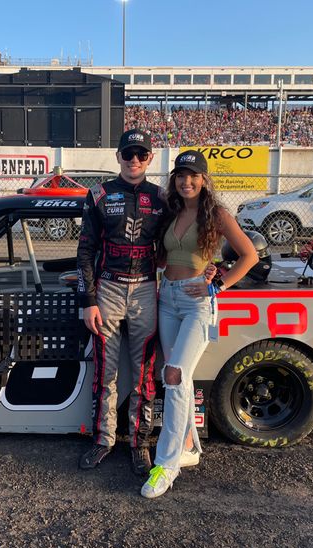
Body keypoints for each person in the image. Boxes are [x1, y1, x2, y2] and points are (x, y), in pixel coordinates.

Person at [141, 150, 258, 499]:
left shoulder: (217, 214)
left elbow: (249, 255)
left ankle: (167, 463)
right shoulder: (170, 212)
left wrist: (217, 281)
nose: (186, 181)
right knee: (180, 377)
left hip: (197, 303)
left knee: (174, 375)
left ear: (204, 180)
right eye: (180, 175)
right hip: (167, 298)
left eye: (193, 176)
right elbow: (163, 257)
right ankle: (189, 445)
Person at [76, 129, 168, 475]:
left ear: (150, 159)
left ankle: (139, 443)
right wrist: (89, 301)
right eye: (128, 154)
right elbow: (84, 252)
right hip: (108, 291)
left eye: (141, 155)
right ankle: (103, 440)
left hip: (146, 290)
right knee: (106, 371)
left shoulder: (161, 198)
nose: (134, 160)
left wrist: (205, 272)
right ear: (117, 156)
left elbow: (178, 243)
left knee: (144, 374)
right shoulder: (99, 195)